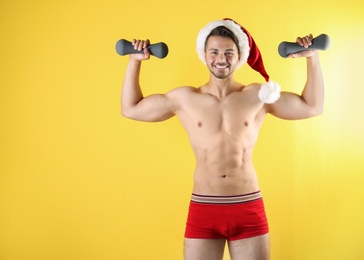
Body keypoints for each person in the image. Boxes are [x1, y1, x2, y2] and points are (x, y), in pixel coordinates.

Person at [121, 18, 324, 260]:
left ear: (239, 57)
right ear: (204, 55)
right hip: (203, 208)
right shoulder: (185, 98)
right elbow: (131, 108)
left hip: (248, 207)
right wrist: (135, 61)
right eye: (214, 51)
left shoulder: (258, 95)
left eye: (229, 52)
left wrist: (312, 58)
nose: (221, 58)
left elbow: (312, 106)